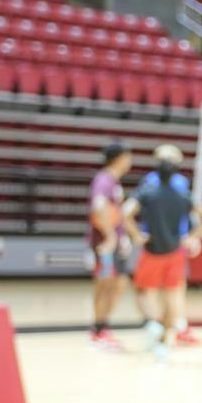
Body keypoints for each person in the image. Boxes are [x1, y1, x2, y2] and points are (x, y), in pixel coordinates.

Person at [122, 145, 202, 361]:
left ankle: (155, 324)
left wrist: (136, 235)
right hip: (176, 247)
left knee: (145, 292)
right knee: (173, 292)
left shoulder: (148, 186)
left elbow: (127, 212)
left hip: (153, 247)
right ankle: (168, 332)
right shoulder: (181, 189)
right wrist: (193, 237)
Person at [86, 142, 136, 352]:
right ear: (119, 158)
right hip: (104, 245)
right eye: (128, 156)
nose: (130, 161)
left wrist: (122, 237)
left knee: (119, 283)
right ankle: (98, 331)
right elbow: (98, 208)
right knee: (105, 285)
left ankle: (103, 326)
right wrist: (110, 237)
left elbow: (116, 213)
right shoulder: (104, 179)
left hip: (114, 244)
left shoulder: (114, 182)